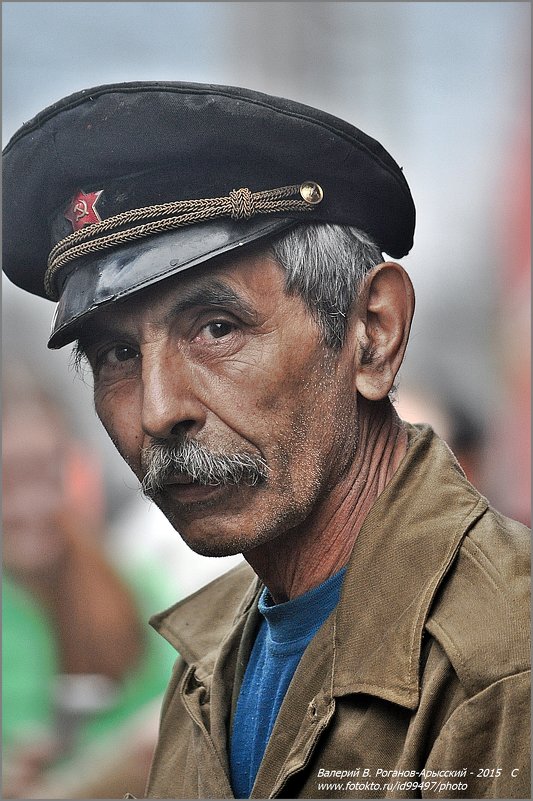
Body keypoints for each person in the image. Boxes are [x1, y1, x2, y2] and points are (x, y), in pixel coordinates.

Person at [2, 82, 530, 799]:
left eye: (216, 327)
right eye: (116, 355)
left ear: (372, 333)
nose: (158, 410)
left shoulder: (504, 662)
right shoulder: (209, 652)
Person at [2, 362, 178, 798]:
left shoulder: (134, 588)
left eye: (47, 475)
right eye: (7, 481)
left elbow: (177, 717)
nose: (31, 506)